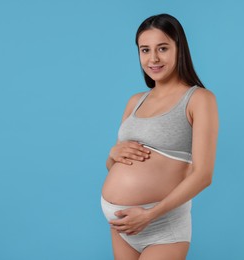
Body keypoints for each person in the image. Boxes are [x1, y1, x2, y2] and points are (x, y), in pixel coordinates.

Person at [101, 13, 218, 260]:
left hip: (163, 226)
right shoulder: (135, 101)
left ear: (179, 48)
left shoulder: (198, 99)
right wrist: (112, 154)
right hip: (122, 226)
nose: (153, 58)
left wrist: (149, 215)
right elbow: (114, 166)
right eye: (145, 50)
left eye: (162, 48)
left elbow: (203, 175)